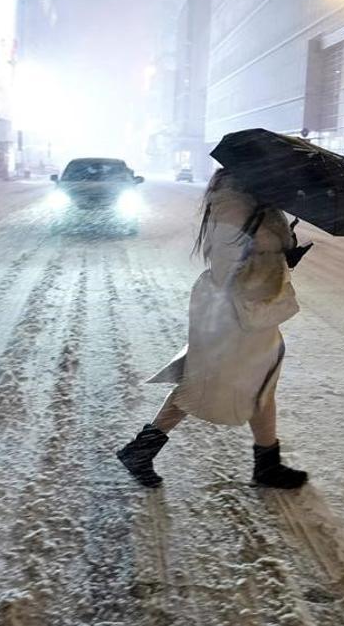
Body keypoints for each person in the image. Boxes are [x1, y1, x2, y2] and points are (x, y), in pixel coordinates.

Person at [117, 169, 309, 489]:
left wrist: (285, 254)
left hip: (254, 313)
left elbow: (259, 255)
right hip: (235, 315)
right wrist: (265, 251)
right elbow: (226, 269)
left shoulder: (258, 207)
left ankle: (267, 464)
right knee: (203, 384)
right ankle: (140, 451)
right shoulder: (234, 211)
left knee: (260, 386)